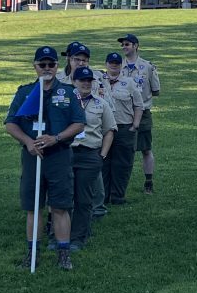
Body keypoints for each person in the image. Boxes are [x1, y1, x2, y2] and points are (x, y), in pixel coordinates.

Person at [5, 46, 85, 270]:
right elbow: (10, 124)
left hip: (58, 155)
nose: (47, 68)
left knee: (60, 206)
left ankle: (63, 253)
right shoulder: (25, 93)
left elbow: (79, 123)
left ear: (57, 66)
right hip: (33, 157)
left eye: (51, 64)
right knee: (33, 207)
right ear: (35, 67)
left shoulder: (69, 92)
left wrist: (56, 138)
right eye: (43, 65)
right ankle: (32, 254)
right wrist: (28, 142)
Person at [68, 66, 117, 248]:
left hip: (89, 154)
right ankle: (57, 235)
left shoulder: (101, 104)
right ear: (74, 82)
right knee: (63, 196)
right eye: (82, 80)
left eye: (89, 81)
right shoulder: (65, 102)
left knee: (84, 198)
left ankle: (79, 237)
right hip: (66, 153)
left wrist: (102, 156)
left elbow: (109, 131)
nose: (86, 84)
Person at [118, 34, 161, 193]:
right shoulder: (118, 66)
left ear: (136, 46)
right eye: (123, 44)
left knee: (146, 149)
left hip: (143, 114)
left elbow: (156, 90)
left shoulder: (147, 67)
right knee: (121, 151)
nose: (124, 47)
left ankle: (148, 182)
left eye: (127, 44)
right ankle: (120, 185)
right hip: (122, 114)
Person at [102, 51, 143, 205]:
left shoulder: (129, 82)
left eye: (117, 63)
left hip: (124, 127)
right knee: (103, 162)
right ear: (106, 64)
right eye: (111, 63)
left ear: (121, 65)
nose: (114, 65)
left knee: (122, 163)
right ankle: (103, 196)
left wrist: (135, 125)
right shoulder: (98, 81)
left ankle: (118, 196)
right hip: (104, 129)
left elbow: (139, 105)